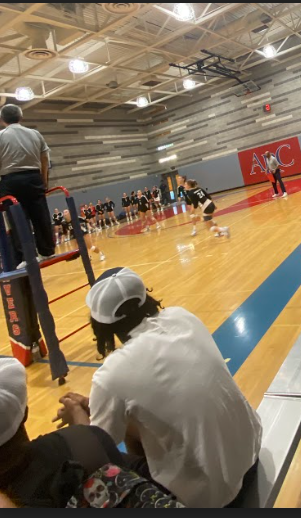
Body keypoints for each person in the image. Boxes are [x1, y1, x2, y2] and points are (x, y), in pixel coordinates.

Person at [53, 267, 263, 508]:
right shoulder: (181, 316)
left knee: (92, 475)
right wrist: (94, 404)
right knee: (134, 421)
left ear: (100, 324)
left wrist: (76, 416)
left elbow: (99, 454)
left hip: (210, 497)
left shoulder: (112, 373)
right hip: (251, 452)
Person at [0, 358, 183, 508]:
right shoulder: (72, 448)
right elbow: (102, 464)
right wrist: (84, 432)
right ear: (24, 411)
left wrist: (83, 431)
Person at [0, 104, 54, 268]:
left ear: (2, 120)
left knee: (17, 219)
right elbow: (45, 159)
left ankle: (26, 256)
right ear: (21, 117)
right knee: (40, 215)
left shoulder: (0, 136)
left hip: (10, 181)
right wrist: (44, 180)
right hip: (33, 178)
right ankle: (47, 250)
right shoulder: (35, 134)